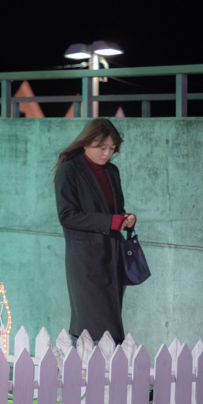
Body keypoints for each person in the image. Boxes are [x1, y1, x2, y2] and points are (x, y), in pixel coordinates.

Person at [54, 119, 136, 344]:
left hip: (112, 254)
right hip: (85, 258)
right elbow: (67, 216)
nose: (107, 153)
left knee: (112, 317)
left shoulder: (112, 171)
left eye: (112, 149)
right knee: (90, 321)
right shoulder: (70, 170)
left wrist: (126, 219)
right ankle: (78, 367)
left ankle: (105, 369)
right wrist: (111, 221)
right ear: (86, 143)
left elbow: (114, 210)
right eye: (102, 147)